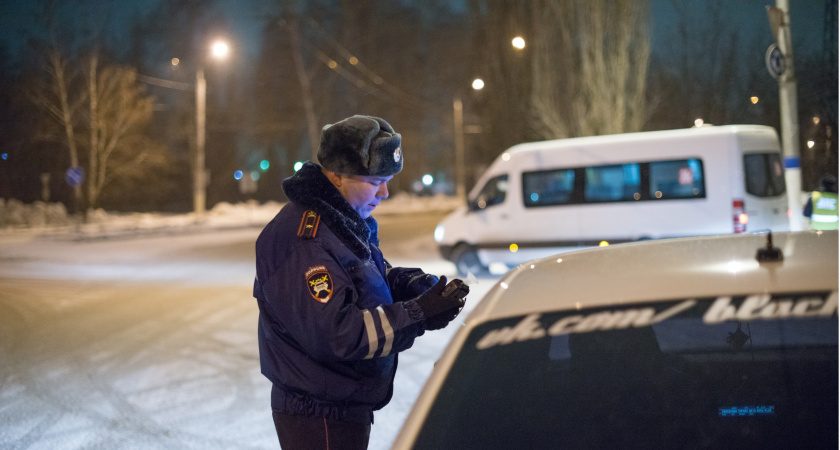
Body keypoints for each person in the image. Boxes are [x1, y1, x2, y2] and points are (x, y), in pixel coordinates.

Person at [253, 114, 469, 449]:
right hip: (319, 414)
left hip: (339, 404)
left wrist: (412, 286)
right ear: (337, 174)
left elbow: (362, 282)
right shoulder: (306, 240)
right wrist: (418, 314)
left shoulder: (342, 219)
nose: (384, 192)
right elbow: (340, 334)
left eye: (388, 180)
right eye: (375, 180)